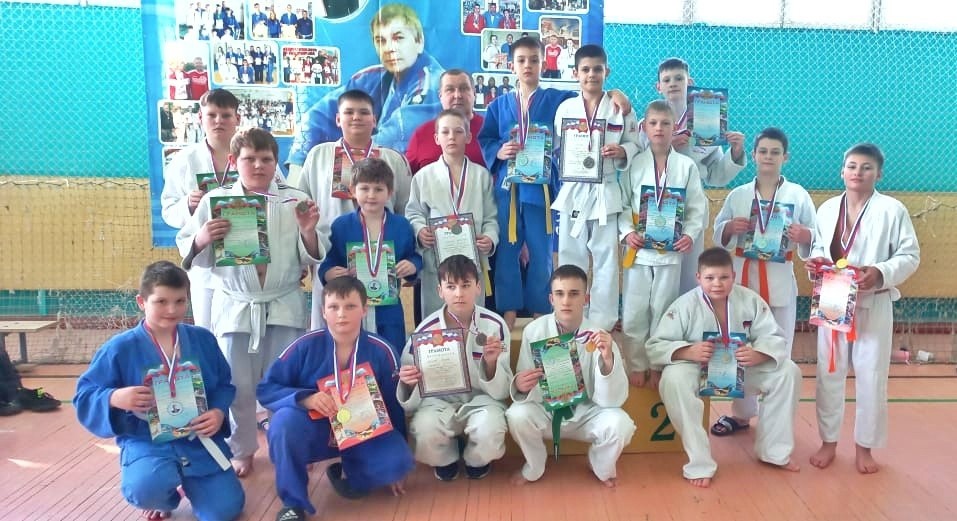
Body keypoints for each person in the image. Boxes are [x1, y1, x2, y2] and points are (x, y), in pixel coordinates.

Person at [176, 128, 323, 478]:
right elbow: (191, 251)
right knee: (238, 385)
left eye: (266, 159)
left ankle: (287, 446)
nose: (258, 165)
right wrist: (201, 238)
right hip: (236, 306)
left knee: (285, 382)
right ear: (233, 161)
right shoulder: (216, 200)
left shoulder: (296, 200)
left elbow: (314, 256)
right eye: (249, 159)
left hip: (283, 303)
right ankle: (242, 449)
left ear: (276, 163)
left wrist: (307, 231)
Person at [74, 261, 245, 521]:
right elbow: (85, 394)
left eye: (180, 301)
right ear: (141, 302)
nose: (172, 309)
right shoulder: (120, 348)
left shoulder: (203, 339)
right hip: (147, 440)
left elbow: (224, 384)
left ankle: (191, 483)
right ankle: (164, 497)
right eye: (161, 301)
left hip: (198, 439)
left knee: (225, 510)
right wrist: (114, 397)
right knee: (145, 489)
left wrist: (218, 412)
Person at [478, 37, 629, 329]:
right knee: (508, 251)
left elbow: (590, 94)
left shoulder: (557, 99)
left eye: (534, 60)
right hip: (509, 189)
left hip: (541, 190)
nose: (528, 66)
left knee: (541, 251)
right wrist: (498, 150)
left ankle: (539, 308)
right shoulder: (498, 106)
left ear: (543, 64)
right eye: (521, 60)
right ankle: (508, 310)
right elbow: (486, 138)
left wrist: (615, 92)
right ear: (511, 66)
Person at [258, 276, 414, 521]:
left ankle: (346, 471)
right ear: (323, 312)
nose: (342, 314)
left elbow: (393, 405)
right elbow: (267, 388)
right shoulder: (304, 346)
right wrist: (306, 399)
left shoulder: (382, 349)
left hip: (365, 428)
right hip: (316, 426)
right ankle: (293, 503)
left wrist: (397, 455)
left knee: (396, 462)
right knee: (283, 424)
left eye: (350, 306)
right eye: (334, 307)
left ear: (364, 309)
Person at [805, 143, 920, 474]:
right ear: (842, 171)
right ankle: (828, 442)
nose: (858, 172)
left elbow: (910, 255)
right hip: (833, 297)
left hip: (873, 301)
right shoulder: (827, 208)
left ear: (878, 174)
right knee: (829, 374)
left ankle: (864, 448)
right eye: (852, 166)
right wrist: (815, 262)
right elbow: (817, 246)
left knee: (871, 376)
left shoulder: (892, 210)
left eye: (866, 167)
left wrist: (880, 272)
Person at [647, 247, 802, 488]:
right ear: (698, 278)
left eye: (724, 277)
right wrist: (687, 351)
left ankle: (774, 451)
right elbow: (656, 346)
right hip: (698, 370)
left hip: (741, 370)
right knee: (673, 378)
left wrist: (759, 353)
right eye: (709, 278)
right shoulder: (684, 305)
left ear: (734, 276)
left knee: (788, 372)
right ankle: (700, 462)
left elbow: (774, 337)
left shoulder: (751, 300)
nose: (717, 284)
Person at [710, 127, 816, 435]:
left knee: (777, 348)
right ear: (754, 155)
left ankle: (774, 420)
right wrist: (730, 227)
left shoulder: (798, 195)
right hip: (742, 278)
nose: (768, 157)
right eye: (763, 151)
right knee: (739, 346)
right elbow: (718, 232)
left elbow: (816, 236)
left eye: (775, 152)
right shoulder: (739, 194)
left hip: (779, 279)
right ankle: (742, 414)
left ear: (786, 157)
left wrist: (804, 235)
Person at [293, 89, 413, 329]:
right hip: (331, 258)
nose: (356, 117)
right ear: (338, 119)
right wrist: (303, 258)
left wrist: (404, 258)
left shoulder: (392, 159)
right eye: (349, 112)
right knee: (332, 329)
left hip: (380, 263)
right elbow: (301, 208)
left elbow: (405, 209)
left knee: (382, 329)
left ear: (374, 119)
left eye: (363, 112)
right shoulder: (318, 155)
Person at [506, 265, 634, 486]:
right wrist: (520, 384)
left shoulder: (599, 336)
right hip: (547, 413)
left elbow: (613, 401)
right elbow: (523, 380)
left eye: (574, 294)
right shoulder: (534, 331)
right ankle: (535, 464)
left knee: (621, 424)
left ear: (586, 299)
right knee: (517, 415)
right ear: (551, 299)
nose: (566, 301)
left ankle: (599, 465)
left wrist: (608, 360)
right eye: (559, 293)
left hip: (586, 414)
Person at [287, 3, 444, 170]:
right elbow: (316, 117)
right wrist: (298, 164)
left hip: (395, 177)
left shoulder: (432, 84)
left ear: (419, 41)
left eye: (398, 38)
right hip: (365, 173)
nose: (389, 48)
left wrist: (339, 169)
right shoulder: (371, 78)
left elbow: (391, 142)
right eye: (381, 41)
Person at [397, 255, 511, 480]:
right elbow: (408, 380)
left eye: (466, 285)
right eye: (451, 286)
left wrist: (491, 364)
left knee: (490, 428)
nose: (459, 293)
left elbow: (501, 391)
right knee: (425, 428)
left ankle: (476, 459)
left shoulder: (494, 325)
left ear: (478, 288)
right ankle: (445, 458)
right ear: (440, 291)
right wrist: (408, 382)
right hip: (439, 402)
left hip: (481, 400)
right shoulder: (426, 329)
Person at [552, 44, 640, 333]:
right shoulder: (565, 109)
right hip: (574, 193)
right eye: (586, 69)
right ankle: (568, 318)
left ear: (607, 71)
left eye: (597, 69)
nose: (591, 74)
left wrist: (622, 151)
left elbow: (636, 145)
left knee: (606, 260)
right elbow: (557, 148)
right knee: (570, 255)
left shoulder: (620, 108)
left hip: (606, 191)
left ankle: (602, 322)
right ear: (575, 73)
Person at [618, 100, 706, 388]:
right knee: (634, 312)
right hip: (638, 250)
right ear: (644, 127)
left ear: (673, 128)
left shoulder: (686, 166)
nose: (659, 128)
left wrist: (689, 234)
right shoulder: (634, 164)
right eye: (653, 123)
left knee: (663, 310)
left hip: (669, 253)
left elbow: (696, 208)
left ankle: (657, 363)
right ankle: (636, 364)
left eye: (665, 123)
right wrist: (626, 232)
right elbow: (622, 204)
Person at [649, 57, 747, 294]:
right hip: (655, 206)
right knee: (657, 277)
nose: (673, 83)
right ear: (658, 87)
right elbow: (638, 165)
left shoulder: (708, 124)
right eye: (667, 80)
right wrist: (665, 144)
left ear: (690, 83)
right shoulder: (649, 123)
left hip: (691, 208)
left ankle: (687, 316)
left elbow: (715, 176)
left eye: (679, 78)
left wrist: (735, 152)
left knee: (688, 276)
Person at [161, 89, 245, 331]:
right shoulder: (185, 160)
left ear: (237, 119)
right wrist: (187, 204)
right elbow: (168, 210)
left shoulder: (253, 156)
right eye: (212, 115)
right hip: (204, 266)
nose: (219, 121)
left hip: (246, 260)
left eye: (226, 115)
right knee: (207, 333)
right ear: (200, 118)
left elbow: (277, 196)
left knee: (243, 335)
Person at [318, 157, 422, 354]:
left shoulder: (401, 226)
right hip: (351, 306)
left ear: (390, 192)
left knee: (391, 355)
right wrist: (329, 273)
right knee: (353, 356)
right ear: (352, 190)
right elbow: (329, 261)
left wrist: (412, 265)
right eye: (364, 188)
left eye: (378, 189)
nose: (371, 195)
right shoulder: (341, 226)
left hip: (389, 308)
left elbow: (414, 256)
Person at [407, 110, 498, 317]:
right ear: (436, 138)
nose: (451, 137)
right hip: (437, 260)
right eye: (445, 132)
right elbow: (413, 213)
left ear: (469, 137)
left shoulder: (482, 176)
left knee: (472, 319)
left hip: (472, 259)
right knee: (437, 319)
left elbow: (491, 217)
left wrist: (490, 238)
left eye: (458, 131)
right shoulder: (423, 177)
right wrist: (420, 230)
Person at [405, 69, 487, 174]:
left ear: (474, 94)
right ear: (440, 96)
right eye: (450, 90)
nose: (457, 95)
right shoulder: (421, 134)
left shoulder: (491, 130)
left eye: (463, 89)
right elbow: (407, 178)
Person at [0, 347, 60, 416]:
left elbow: (12, 376)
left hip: (12, 390)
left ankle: (16, 397)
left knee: (35, 392)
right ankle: (11, 399)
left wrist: (16, 388)